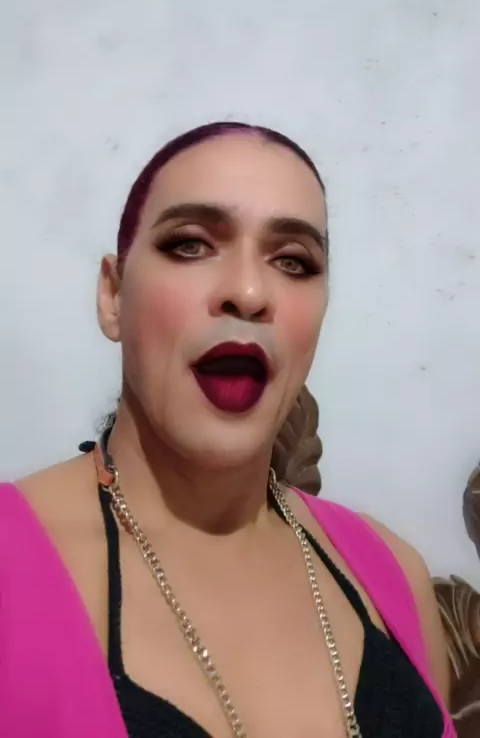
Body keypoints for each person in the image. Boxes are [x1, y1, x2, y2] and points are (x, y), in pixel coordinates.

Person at [0, 122, 455, 738]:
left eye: (294, 261)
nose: (248, 292)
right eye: (190, 245)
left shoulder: (395, 574)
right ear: (113, 295)